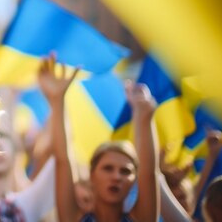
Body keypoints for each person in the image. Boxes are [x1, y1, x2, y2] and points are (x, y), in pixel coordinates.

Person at [39, 53, 160, 222]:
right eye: (108, 168)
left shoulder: (142, 219)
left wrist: (144, 118)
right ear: (92, 175)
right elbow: (63, 159)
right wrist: (57, 101)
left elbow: (148, 172)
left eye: (125, 171)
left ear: (134, 181)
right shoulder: (73, 218)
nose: (116, 177)